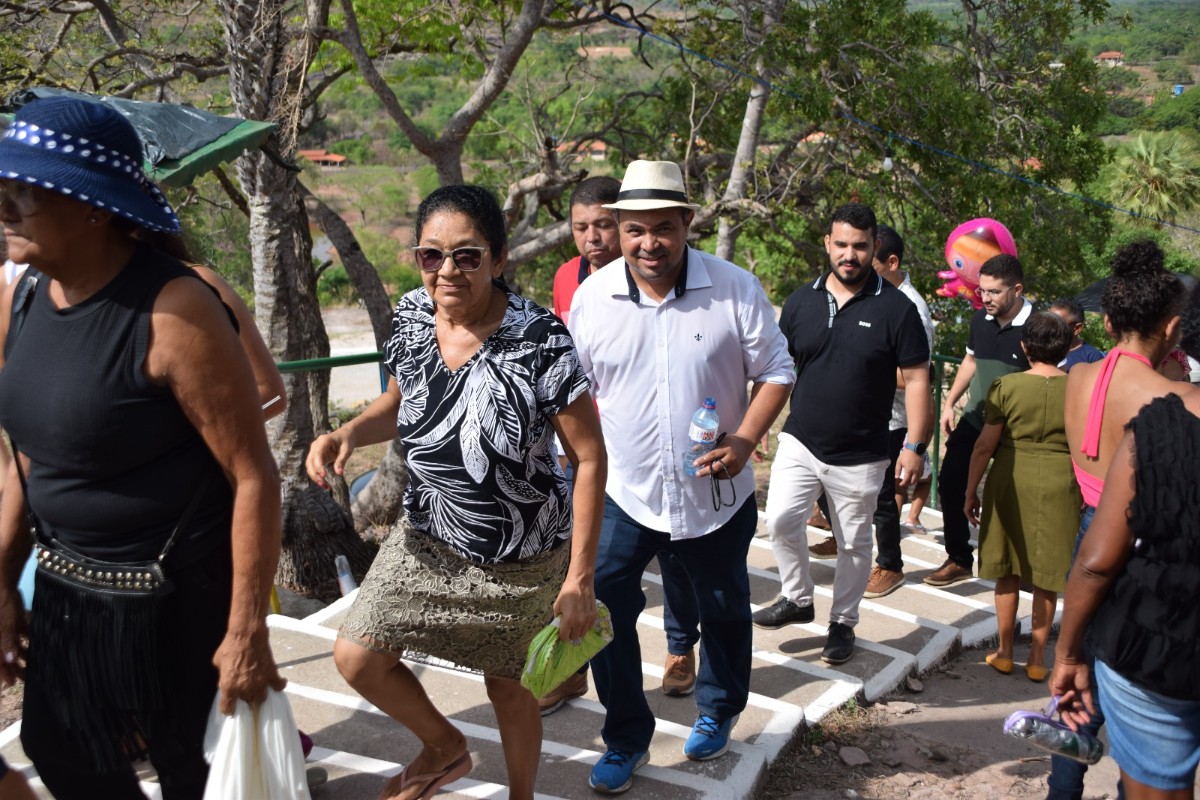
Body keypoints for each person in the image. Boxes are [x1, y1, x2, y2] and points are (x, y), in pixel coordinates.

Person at [0, 96, 284, 798]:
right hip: (68, 593)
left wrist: (247, 631)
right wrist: (1, 582)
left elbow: (253, 477)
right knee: (61, 749)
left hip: (175, 601)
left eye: (21, 191)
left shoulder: (174, 311)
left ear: (92, 204)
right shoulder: (27, 297)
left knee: (193, 769)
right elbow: (32, 456)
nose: (3, 206)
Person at [306, 184, 606, 800]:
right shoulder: (414, 317)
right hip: (426, 539)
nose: (448, 270)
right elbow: (404, 400)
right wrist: (349, 432)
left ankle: (521, 795)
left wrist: (579, 577)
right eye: (431, 256)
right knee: (358, 656)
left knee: (510, 687)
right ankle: (444, 747)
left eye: (468, 256)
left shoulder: (539, 340)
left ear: (498, 259)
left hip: (521, 557)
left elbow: (589, 456)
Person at [569, 160, 794, 793]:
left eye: (663, 228)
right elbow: (575, 392)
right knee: (605, 609)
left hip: (714, 494)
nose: (649, 244)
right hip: (623, 491)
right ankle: (624, 737)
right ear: (617, 227)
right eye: (635, 229)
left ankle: (718, 711)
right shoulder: (593, 298)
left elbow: (778, 369)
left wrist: (746, 437)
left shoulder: (734, 288)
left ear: (687, 223)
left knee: (723, 607)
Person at [542, 176, 700, 714]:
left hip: (668, 461)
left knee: (677, 564)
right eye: (580, 227)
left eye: (602, 226)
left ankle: (681, 647)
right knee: (588, 571)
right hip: (592, 456)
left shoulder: (666, 279)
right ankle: (576, 668)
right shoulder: (570, 281)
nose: (592, 238)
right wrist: (563, 440)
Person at [756, 204, 930, 664]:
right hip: (801, 439)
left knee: (854, 542)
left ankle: (843, 623)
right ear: (827, 245)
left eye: (859, 245)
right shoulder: (800, 301)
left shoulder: (897, 309)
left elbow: (916, 380)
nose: (849, 254)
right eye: (841, 244)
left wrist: (914, 444)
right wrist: (756, 425)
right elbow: (779, 369)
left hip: (863, 452)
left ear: (874, 248)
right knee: (780, 519)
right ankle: (797, 597)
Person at [1046, 239, 1188, 800]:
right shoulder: (1171, 398)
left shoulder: (1077, 378)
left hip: (1085, 527)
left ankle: (1062, 790)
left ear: (1106, 321)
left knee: (1075, 682)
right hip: (1135, 541)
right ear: (1172, 327)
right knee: (1126, 678)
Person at [808, 224, 935, 599]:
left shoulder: (910, 307)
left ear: (889, 261)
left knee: (882, 498)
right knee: (821, 480)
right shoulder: (869, 297)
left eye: (868, 257)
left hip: (893, 419)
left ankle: (890, 566)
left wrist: (859, 365)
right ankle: (840, 535)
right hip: (854, 415)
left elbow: (916, 376)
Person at [964, 311, 1077, 682]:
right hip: (1062, 481)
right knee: (1047, 574)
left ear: (1024, 347)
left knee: (1008, 568)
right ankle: (1039, 659)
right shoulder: (1079, 389)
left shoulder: (1006, 386)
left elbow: (984, 446)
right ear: (1065, 349)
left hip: (1011, 476)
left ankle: (1006, 652)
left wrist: (970, 491)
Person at [928, 254, 1032, 587]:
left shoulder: (1037, 327)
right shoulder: (979, 321)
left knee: (1014, 496)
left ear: (1017, 289)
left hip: (1017, 430)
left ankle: (1019, 565)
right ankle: (958, 558)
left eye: (995, 292)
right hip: (975, 418)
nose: (985, 298)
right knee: (950, 482)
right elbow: (970, 360)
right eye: (983, 290)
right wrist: (950, 403)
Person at [1048, 298, 1104, 372]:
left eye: (1057, 324)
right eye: (1047, 322)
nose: (1049, 328)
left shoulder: (1092, 358)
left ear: (1077, 328)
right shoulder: (1040, 349)